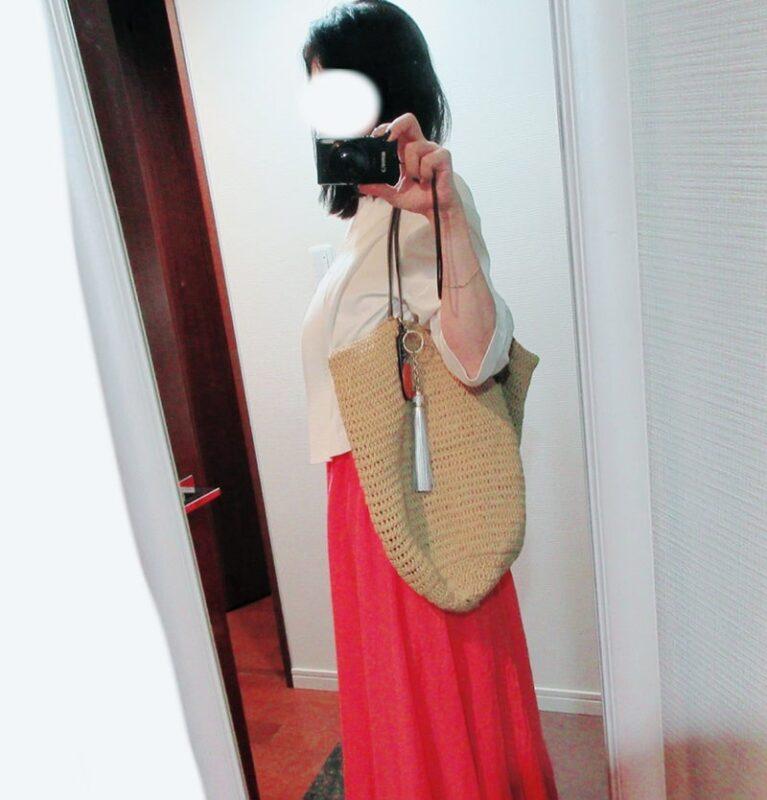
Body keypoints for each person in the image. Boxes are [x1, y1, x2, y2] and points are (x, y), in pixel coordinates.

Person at [300, 2, 559, 798]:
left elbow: (476, 358)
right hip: (364, 492)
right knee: (402, 702)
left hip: (406, 491)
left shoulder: (432, 203)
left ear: (386, 86)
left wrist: (444, 213)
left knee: (433, 699)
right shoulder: (368, 219)